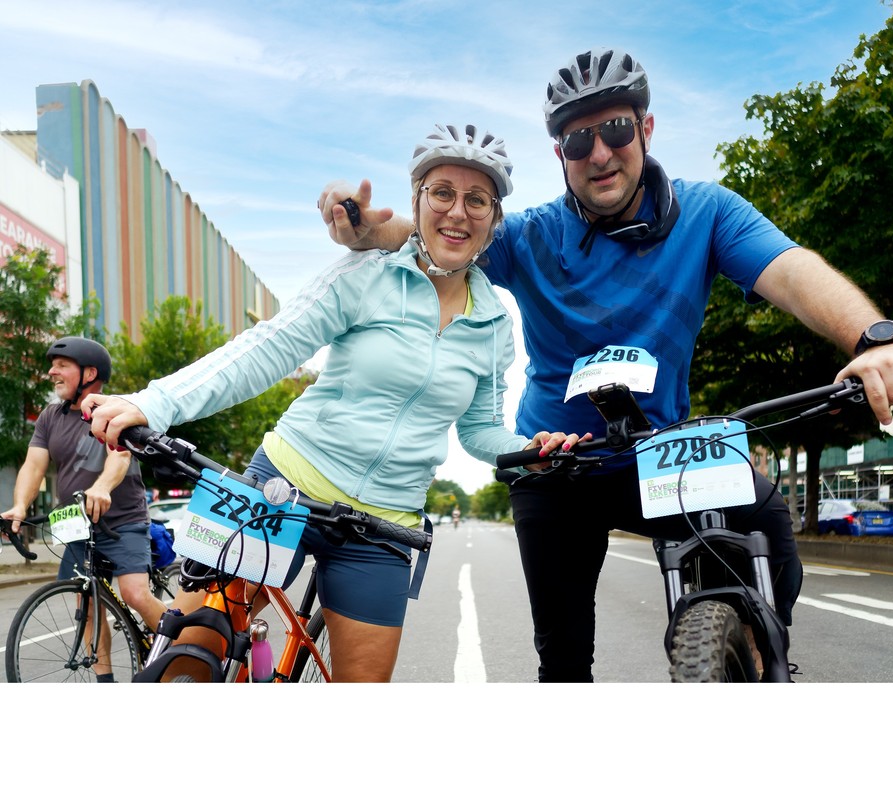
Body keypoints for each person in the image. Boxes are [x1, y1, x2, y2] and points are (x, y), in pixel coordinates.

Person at [316, 48, 893, 682]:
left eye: (615, 130)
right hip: (556, 458)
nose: (600, 153)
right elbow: (439, 231)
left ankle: (751, 655)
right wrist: (362, 227)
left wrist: (874, 338)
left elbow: (793, 271)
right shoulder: (530, 235)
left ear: (645, 128)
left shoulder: (708, 212)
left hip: (663, 452)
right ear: (560, 154)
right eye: (578, 140)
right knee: (562, 660)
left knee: (771, 529)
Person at [82, 124, 585, 683]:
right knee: (188, 658)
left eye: (477, 200)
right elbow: (268, 347)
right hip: (281, 486)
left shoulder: (494, 326)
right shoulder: (365, 275)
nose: (457, 212)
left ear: (494, 219)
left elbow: (480, 431)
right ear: (417, 200)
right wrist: (155, 403)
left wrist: (526, 448)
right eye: (442, 192)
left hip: (384, 526)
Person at [2, 337, 167, 681]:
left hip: (122, 522)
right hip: (77, 525)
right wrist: (19, 505)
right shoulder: (50, 417)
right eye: (53, 365)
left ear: (89, 373)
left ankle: (181, 642)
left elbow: (119, 456)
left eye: (62, 365)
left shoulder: (113, 410)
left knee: (135, 593)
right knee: (87, 606)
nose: (52, 371)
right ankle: (105, 683)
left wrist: (102, 487)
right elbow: (34, 465)